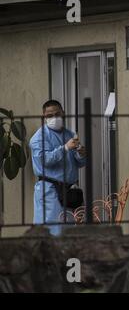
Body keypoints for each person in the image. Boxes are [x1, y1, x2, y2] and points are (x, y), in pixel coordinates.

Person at [29, 100, 86, 235]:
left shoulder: (70, 134)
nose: (54, 118)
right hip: (50, 191)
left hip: (69, 191)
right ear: (44, 117)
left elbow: (80, 163)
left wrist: (81, 154)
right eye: (49, 115)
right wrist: (65, 147)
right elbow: (45, 160)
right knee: (51, 232)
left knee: (70, 232)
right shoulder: (38, 138)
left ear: (63, 113)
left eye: (57, 113)